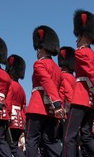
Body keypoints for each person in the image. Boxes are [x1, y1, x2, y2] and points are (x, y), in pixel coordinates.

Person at [62, 10, 94, 157]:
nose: (76, 39)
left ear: (83, 35)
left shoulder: (80, 53)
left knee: (68, 136)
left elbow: (90, 73)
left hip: (81, 98)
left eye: (78, 36)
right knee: (87, 135)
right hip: (92, 101)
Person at [26, 25, 64, 157]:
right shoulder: (57, 69)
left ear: (41, 48)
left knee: (31, 140)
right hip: (51, 110)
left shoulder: (39, 64)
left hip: (38, 106)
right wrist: (58, 105)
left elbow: (47, 82)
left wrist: (57, 102)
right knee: (50, 141)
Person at [5, 54, 27, 157]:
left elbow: (8, 102)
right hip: (19, 122)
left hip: (10, 120)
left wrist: (6, 117)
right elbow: (23, 107)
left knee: (8, 147)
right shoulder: (21, 88)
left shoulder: (9, 84)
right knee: (13, 146)